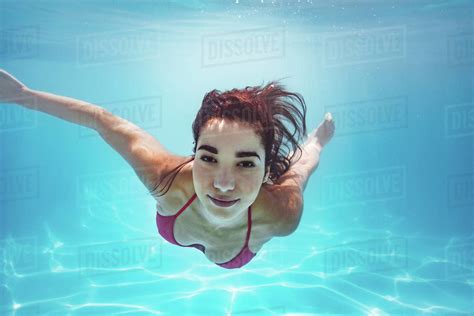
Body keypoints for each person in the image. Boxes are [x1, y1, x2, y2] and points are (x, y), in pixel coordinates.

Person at [0, 69, 335, 269]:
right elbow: (102, 120)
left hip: (248, 230)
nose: (222, 183)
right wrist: (21, 95)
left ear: (264, 174)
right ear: (193, 154)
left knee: (295, 167)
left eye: (245, 163)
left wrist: (316, 142)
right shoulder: (165, 177)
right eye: (208, 157)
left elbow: (301, 168)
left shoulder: (280, 215)